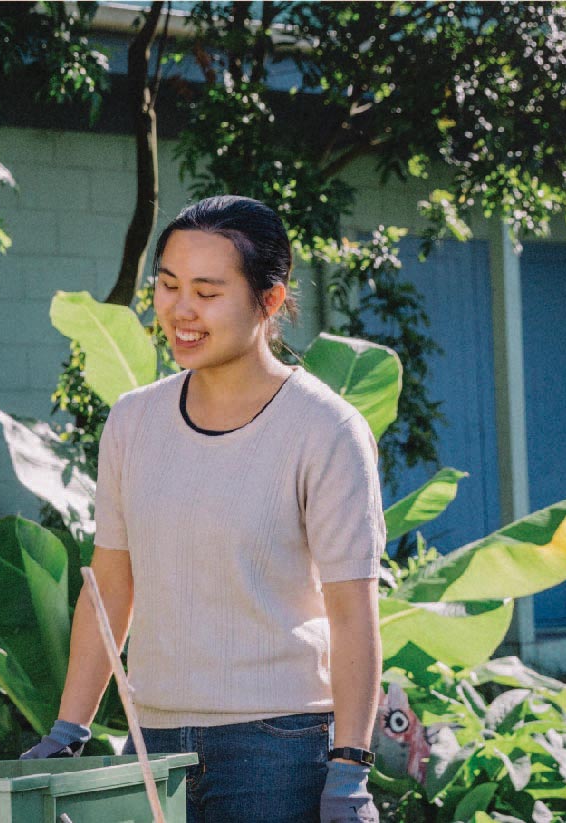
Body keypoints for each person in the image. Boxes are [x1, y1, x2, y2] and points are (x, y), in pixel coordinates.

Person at [21, 196, 383, 823]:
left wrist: (350, 767)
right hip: (153, 744)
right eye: (167, 285)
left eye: (207, 292)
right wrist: (69, 728)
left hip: (279, 750)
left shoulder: (326, 429)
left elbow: (352, 611)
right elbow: (111, 586)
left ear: (269, 301)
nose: (180, 311)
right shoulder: (134, 421)